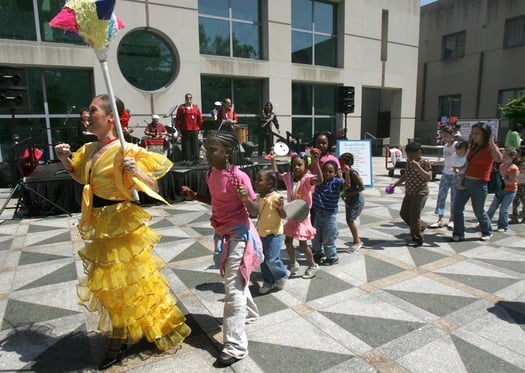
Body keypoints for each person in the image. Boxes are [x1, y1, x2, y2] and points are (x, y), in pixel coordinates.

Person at [54, 94, 190, 370]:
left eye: (93, 111)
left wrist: (136, 170)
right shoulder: (90, 149)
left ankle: (118, 340)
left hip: (120, 222)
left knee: (119, 284)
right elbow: (82, 177)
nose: (87, 115)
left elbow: (155, 182)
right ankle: (126, 331)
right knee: (119, 284)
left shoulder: (127, 149)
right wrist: (65, 159)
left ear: (109, 117)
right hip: (100, 224)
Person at [179, 131, 263, 367]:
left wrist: (246, 198)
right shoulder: (211, 173)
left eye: (212, 149)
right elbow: (216, 200)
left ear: (227, 152)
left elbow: (256, 211)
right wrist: (195, 196)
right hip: (222, 234)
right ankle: (250, 313)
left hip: (239, 235)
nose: (206, 152)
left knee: (233, 289)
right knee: (234, 280)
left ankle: (235, 346)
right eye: (206, 148)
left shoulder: (240, 177)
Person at [271, 151, 322, 279]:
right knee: (288, 241)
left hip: (303, 215)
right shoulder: (289, 177)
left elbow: (320, 180)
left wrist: (316, 162)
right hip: (293, 213)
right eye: (294, 165)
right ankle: (293, 264)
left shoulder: (308, 179)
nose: (297, 167)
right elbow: (276, 174)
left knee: (303, 244)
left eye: (300, 165)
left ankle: (313, 265)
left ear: (306, 166)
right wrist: (273, 160)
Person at [452, 122, 502, 242]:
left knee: (479, 210)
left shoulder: (490, 148)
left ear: (485, 134)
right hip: (466, 181)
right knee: (457, 208)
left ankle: (487, 231)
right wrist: (460, 176)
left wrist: (492, 143)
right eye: (473, 133)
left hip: (479, 184)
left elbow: (499, 159)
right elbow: (468, 163)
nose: (474, 136)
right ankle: (458, 233)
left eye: (477, 133)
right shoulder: (472, 147)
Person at [389, 142, 433, 247]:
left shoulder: (425, 162)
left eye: (412, 155)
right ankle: (420, 226)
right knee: (404, 214)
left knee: (414, 217)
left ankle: (417, 238)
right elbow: (406, 175)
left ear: (419, 152)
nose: (410, 157)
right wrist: (395, 184)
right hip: (409, 193)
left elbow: (429, 177)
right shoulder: (409, 162)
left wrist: (418, 167)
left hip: (420, 193)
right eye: (408, 155)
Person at [254, 169, 289, 295]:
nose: (256, 182)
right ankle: (268, 282)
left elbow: (284, 216)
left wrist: (281, 208)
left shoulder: (276, 197)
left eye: (259, 180)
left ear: (269, 184)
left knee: (272, 259)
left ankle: (282, 274)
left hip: (274, 234)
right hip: (261, 233)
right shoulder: (258, 198)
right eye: (256, 180)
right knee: (263, 260)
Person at [311, 160, 346, 266]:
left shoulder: (337, 182)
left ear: (335, 173)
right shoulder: (319, 181)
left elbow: (346, 185)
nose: (327, 173)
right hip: (318, 214)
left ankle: (332, 257)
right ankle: (317, 253)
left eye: (330, 171)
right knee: (315, 236)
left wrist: (347, 173)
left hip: (330, 215)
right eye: (325, 171)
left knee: (328, 237)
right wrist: (316, 161)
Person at [430, 126, 457, 229]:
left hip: (455, 174)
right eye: (442, 136)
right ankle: (440, 219)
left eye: (446, 136)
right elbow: (446, 160)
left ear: (451, 135)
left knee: (454, 198)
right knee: (441, 196)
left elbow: (461, 158)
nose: (444, 138)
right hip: (445, 173)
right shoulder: (445, 146)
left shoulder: (456, 145)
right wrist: (437, 162)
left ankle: (452, 219)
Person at [487, 148, 520, 232]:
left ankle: (503, 225)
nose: (503, 158)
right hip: (500, 189)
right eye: (503, 156)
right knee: (493, 206)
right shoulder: (501, 165)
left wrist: (502, 178)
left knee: (504, 209)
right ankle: (486, 222)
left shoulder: (514, 168)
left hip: (510, 191)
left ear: (512, 158)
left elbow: (510, 181)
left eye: (506, 157)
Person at [339, 152, 365, 252]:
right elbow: (344, 186)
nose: (341, 166)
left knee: (350, 219)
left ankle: (357, 241)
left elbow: (362, 187)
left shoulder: (353, 173)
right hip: (349, 199)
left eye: (342, 163)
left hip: (357, 199)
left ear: (349, 163)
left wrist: (348, 195)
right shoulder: (343, 173)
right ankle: (356, 239)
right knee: (349, 219)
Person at [175, 93, 203, 164]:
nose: (189, 99)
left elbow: (199, 118)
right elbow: (178, 119)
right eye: (187, 98)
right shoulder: (181, 107)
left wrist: (200, 128)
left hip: (195, 129)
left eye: (190, 98)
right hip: (185, 129)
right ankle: (187, 160)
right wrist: (178, 129)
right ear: (185, 99)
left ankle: (196, 159)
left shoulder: (195, 107)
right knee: (186, 145)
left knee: (195, 144)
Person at [510, 147, 525, 224]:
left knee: (523, 201)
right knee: (515, 201)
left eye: (519, 156)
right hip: (517, 185)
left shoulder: (523, 164)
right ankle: (515, 217)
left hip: (523, 186)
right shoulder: (518, 163)